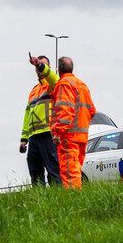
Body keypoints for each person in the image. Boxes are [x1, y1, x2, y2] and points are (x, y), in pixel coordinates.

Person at [30, 55, 95, 189]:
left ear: (58, 70)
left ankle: (72, 199)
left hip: (68, 136)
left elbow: (65, 112)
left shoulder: (63, 84)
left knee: (69, 171)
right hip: (82, 136)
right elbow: (92, 110)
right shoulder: (82, 85)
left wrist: (58, 133)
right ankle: (75, 195)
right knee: (75, 168)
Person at [20, 55, 60, 185]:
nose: (38, 68)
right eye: (37, 66)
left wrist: (39, 64)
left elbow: (53, 77)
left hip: (48, 134)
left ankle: (57, 196)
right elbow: (27, 115)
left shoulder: (53, 85)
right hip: (34, 137)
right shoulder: (33, 90)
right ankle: (39, 199)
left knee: (53, 169)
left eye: (42, 65)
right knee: (35, 171)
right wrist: (23, 139)